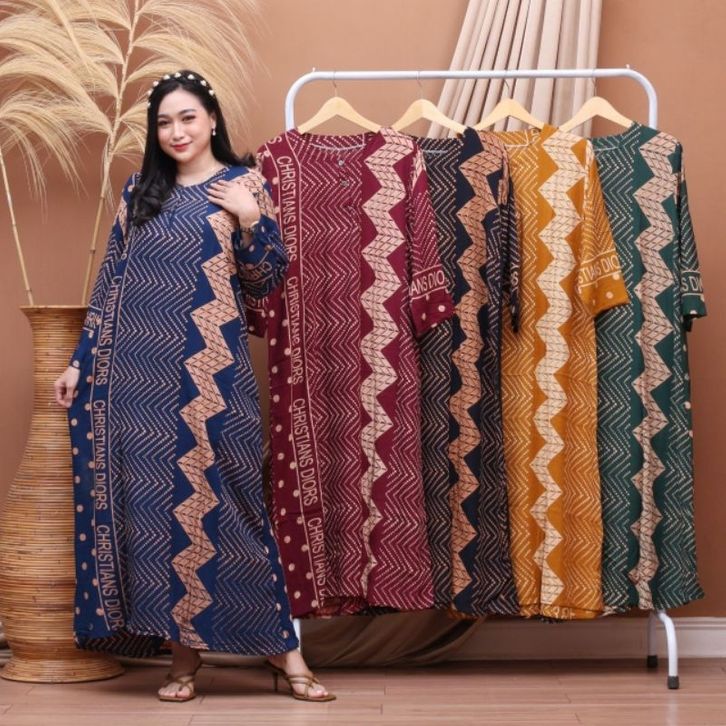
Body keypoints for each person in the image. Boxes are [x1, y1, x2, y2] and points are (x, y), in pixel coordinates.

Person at [54, 70, 334, 703]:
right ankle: (183, 660)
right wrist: (79, 362)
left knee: (231, 508)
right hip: (135, 380)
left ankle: (286, 655)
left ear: (211, 119)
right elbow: (111, 283)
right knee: (162, 516)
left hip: (211, 378)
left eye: (187, 118)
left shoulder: (244, 186)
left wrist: (251, 221)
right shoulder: (140, 193)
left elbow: (266, 285)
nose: (176, 132)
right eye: (164, 122)